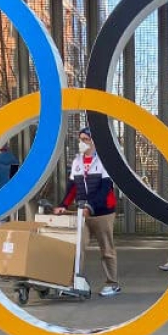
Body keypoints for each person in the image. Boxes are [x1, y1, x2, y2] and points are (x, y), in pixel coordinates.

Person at [54, 127, 121, 297]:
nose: (81, 142)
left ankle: (112, 283)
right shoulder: (77, 161)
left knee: (106, 248)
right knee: (77, 247)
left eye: (85, 139)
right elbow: (72, 188)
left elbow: (106, 189)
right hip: (81, 213)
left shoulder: (104, 161)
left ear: (93, 141)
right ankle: (74, 283)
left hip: (102, 213)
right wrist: (63, 204)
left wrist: (90, 206)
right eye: (80, 139)